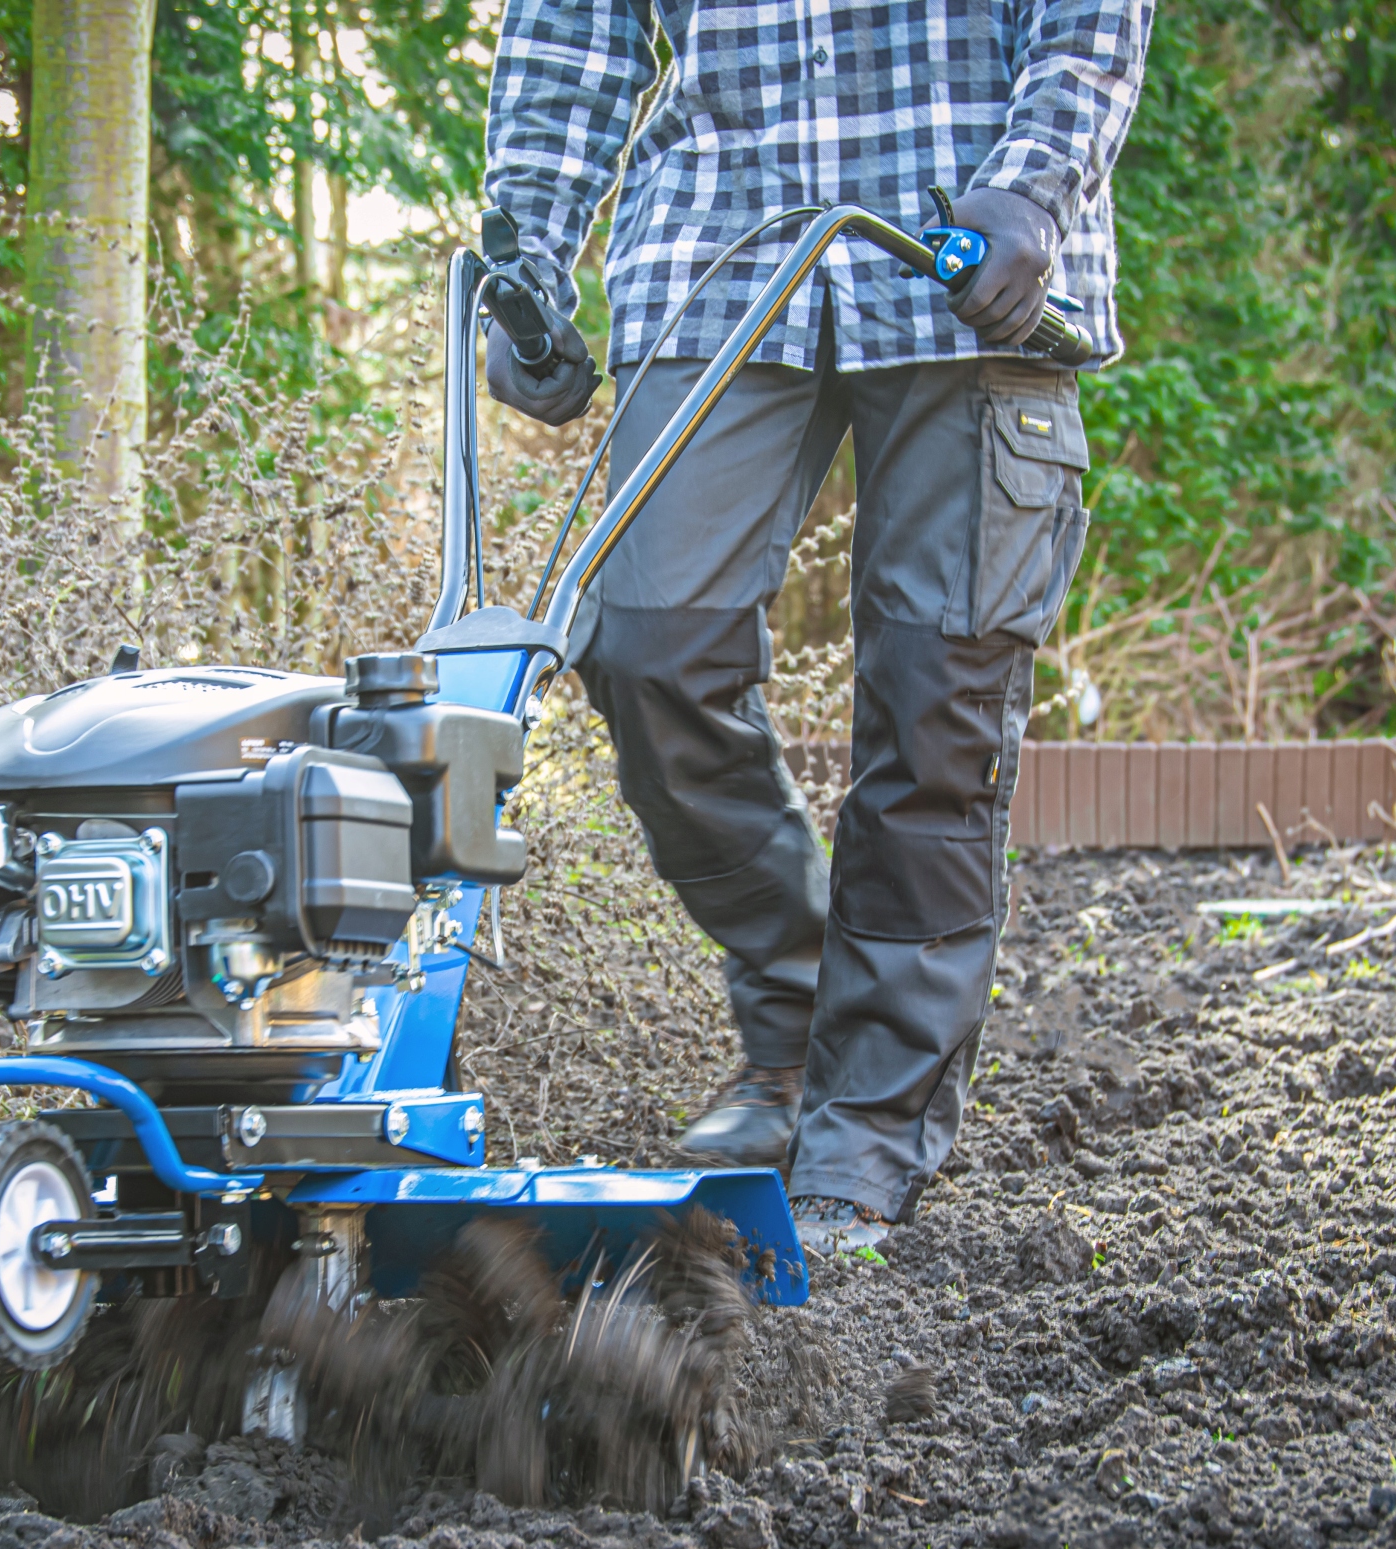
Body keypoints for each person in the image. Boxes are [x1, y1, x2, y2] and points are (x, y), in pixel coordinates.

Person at [483, 0, 1152, 1251]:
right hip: (716, 249)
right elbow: (574, 29)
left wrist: (1035, 183)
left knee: (935, 703)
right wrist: (528, 242)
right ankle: (797, 1008)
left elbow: (1087, 19)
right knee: (643, 643)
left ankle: (865, 1131)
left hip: (970, 253)